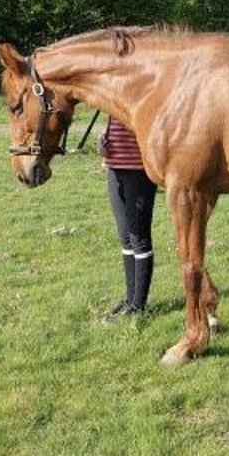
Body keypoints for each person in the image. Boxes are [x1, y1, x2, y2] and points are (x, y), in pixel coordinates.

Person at [100, 117, 158, 321]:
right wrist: (105, 141)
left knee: (139, 239)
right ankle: (129, 300)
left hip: (139, 171)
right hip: (114, 168)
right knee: (126, 237)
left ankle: (139, 305)